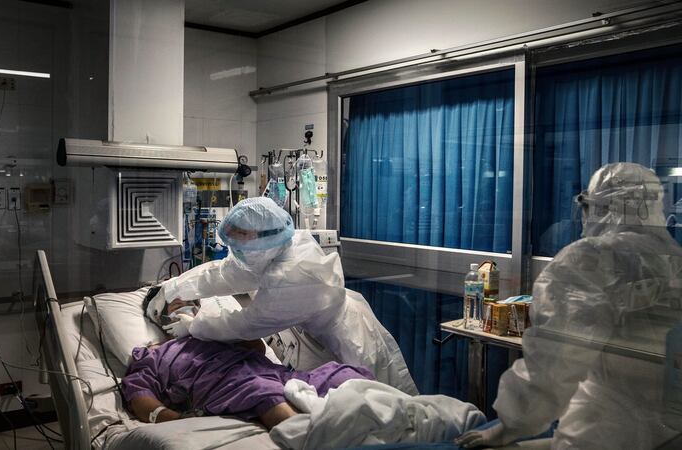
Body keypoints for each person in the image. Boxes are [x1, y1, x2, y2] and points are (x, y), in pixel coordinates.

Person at [456, 163, 682, 449]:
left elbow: (554, 360)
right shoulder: (672, 258)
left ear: (603, 207)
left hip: (605, 431)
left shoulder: (594, 258)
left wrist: (509, 427)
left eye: (588, 206)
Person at [147, 197, 418, 395]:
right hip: (315, 332)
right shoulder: (282, 243)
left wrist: (194, 325)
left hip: (348, 341)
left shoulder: (289, 277)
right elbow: (227, 273)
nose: (235, 252)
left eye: (240, 243)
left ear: (262, 239)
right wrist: (174, 287)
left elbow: (244, 325)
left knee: (381, 406)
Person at [122, 299, 375, 429]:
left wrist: (216, 327)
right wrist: (172, 418)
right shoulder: (155, 353)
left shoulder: (216, 332)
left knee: (346, 374)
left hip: (273, 373)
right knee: (260, 390)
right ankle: (310, 437)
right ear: (161, 318)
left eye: (191, 304)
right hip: (228, 384)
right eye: (177, 305)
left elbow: (258, 348)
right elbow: (139, 394)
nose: (187, 308)